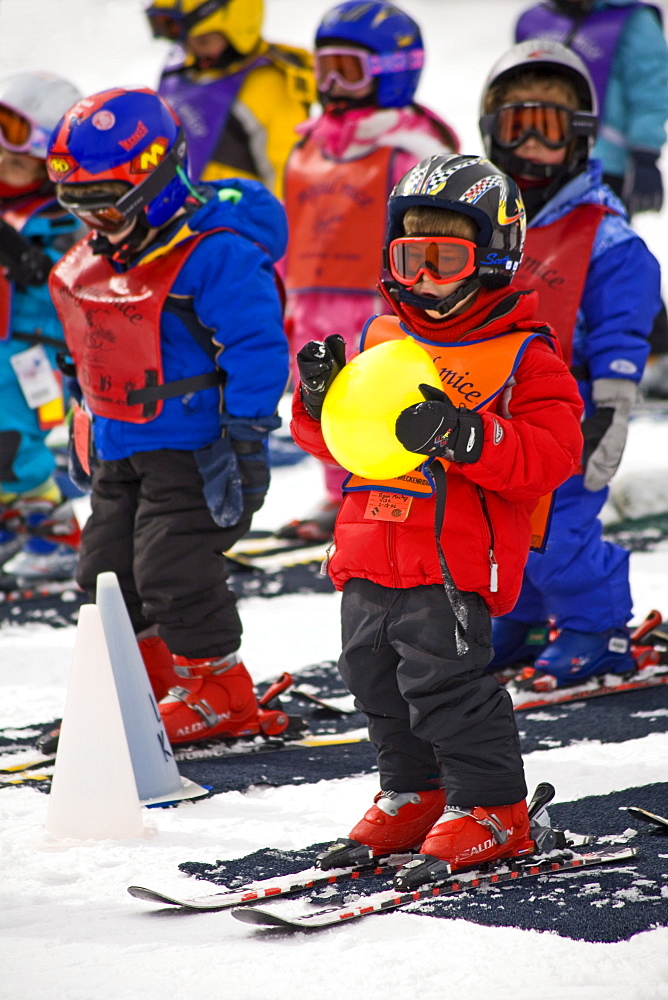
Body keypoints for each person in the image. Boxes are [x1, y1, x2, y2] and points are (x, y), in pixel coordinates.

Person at [290, 153, 583, 873]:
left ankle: (491, 806)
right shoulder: (384, 340)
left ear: (492, 259)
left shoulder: (523, 358)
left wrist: (465, 433)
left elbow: (552, 454)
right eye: (409, 257)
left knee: (445, 685)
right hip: (368, 548)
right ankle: (415, 791)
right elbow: (334, 444)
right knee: (374, 680)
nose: (421, 277)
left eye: (443, 259)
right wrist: (318, 404)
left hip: (452, 561)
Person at [46, 86, 291, 745]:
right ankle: (147, 687)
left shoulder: (215, 254)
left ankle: (219, 691)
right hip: (121, 445)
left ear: (154, 179)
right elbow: (85, 348)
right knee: (103, 573)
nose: (95, 221)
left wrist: (245, 436)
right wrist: (83, 421)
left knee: (173, 570)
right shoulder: (98, 257)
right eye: (80, 205)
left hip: (197, 450)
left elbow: (258, 348)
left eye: (106, 202)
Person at [479, 41, 661, 689]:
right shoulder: (488, 223)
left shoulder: (605, 236)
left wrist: (607, 419)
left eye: (549, 127)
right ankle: (525, 617)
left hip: (572, 418)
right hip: (497, 417)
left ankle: (596, 626)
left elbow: (622, 334)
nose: (530, 142)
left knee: (558, 534)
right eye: (515, 124)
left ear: (581, 137)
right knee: (503, 531)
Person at [279, 0, 459, 542]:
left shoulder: (408, 151)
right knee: (322, 395)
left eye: (349, 68)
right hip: (308, 298)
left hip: (373, 302)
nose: (332, 81)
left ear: (394, 70)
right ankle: (341, 494)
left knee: (383, 398)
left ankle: (398, 486)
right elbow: (293, 220)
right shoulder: (306, 144)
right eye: (324, 66)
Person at [514, 0, 668, 396]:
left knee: (607, 261)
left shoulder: (632, 23)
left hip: (608, 162)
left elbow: (651, 86)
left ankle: (654, 356)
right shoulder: (537, 20)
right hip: (532, 161)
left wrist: (645, 153)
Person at [0, 71, 84, 583]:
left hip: (33, 350)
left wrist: (24, 255)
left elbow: (64, 271)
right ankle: (12, 520)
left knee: (14, 436)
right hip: (5, 342)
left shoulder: (62, 213)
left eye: (15, 163)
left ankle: (54, 528)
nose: (3, 171)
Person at [144, 0, 314, 197]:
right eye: (185, 42)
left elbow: (285, 176)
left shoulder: (268, 85)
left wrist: (277, 224)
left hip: (236, 220)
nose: (194, 50)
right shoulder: (181, 71)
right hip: (175, 215)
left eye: (203, 41)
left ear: (238, 27)